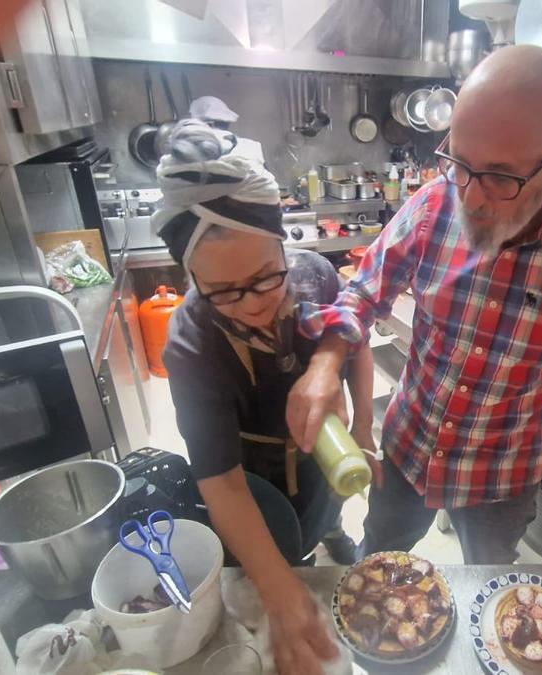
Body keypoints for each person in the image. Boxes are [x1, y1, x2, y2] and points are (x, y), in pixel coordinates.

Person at [286, 45, 542, 568]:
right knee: (378, 566)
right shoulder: (436, 202)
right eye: (459, 164)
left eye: (501, 177)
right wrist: (324, 362)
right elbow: (363, 291)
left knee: (489, 597)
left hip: (501, 476)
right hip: (409, 450)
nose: (471, 198)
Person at [154, 120, 378, 675]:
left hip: (321, 450)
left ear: (282, 245)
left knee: (327, 504)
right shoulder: (191, 345)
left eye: (265, 278)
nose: (253, 305)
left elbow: (355, 341)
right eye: (224, 292)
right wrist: (278, 589)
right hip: (250, 476)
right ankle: (295, 554)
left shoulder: (313, 275)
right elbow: (221, 481)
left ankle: (331, 532)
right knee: (275, 549)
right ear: (191, 277)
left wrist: (366, 428)